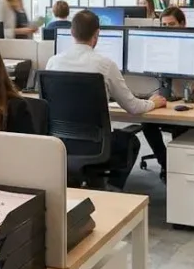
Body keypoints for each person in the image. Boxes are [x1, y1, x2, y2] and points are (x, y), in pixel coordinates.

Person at [47, 11, 166, 186]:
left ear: (71, 33)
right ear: (97, 35)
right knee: (131, 141)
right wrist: (152, 102)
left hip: (60, 143)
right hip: (96, 145)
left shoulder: (53, 62)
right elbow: (133, 107)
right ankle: (112, 187)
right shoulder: (105, 65)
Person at [146, 8, 190, 181]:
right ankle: (166, 164)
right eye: (163, 25)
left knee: (181, 124)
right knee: (147, 123)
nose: (167, 29)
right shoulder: (155, 46)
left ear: (183, 24)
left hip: (186, 100)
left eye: (171, 25)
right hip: (161, 97)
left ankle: (181, 169)